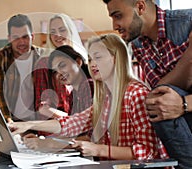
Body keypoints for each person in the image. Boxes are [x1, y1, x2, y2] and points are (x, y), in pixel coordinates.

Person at [9, 33, 168, 160]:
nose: (92, 64)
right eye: (90, 58)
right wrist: (28, 125)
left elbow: (147, 152)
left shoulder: (137, 94)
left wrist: (98, 149)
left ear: (116, 58)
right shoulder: (106, 98)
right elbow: (73, 123)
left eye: (98, 57)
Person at [102, 0, 192, 168]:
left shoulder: (188, 23)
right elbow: (160, 93)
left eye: (118, 16)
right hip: (183, 132)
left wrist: (184, 104)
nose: (115, 25)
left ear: (140, 7)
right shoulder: (138, 45)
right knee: (157, 100)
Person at [0, 14, 43, 167]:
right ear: (9, 38)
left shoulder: (42, 57)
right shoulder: (0, 57)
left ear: (32, 36)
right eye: (16, 37)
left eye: (25, 37)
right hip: (8, 119)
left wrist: (32, 127)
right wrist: (8, 123)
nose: (21, 42)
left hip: (36, 121)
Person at [24, 45, 93, 151]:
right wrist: (42, 140)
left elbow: (90, 138)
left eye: (62, 65)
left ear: (78, 62)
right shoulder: (73, 94)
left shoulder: (89, 86)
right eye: (55, 71)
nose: (59, 73)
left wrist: (48, 143)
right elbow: (72, 131)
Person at [34, 13, 88, 118]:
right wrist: (70, 121)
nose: (57, 35)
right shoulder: (44, 63)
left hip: (84, 124)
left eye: (62, 30)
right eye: (52, 32)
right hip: (56, 127)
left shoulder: (83, 58)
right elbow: (42, 106)